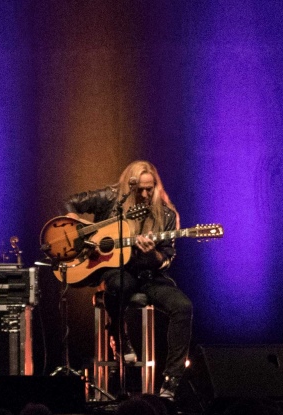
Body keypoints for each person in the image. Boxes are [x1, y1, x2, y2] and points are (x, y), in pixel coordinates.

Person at [64, 160, 194, 399]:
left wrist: (153, 254)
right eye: (140, 189)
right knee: (118, 284)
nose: (145, 194)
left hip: (149, 275)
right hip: (116, 270)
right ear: (129, 186)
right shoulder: (112, 197)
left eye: (150, 189)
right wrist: (80, 229)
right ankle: (118, 335)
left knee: (183, 307)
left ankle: (171, 383)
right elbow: (71, 202)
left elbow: (166, 258)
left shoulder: (166, 214)